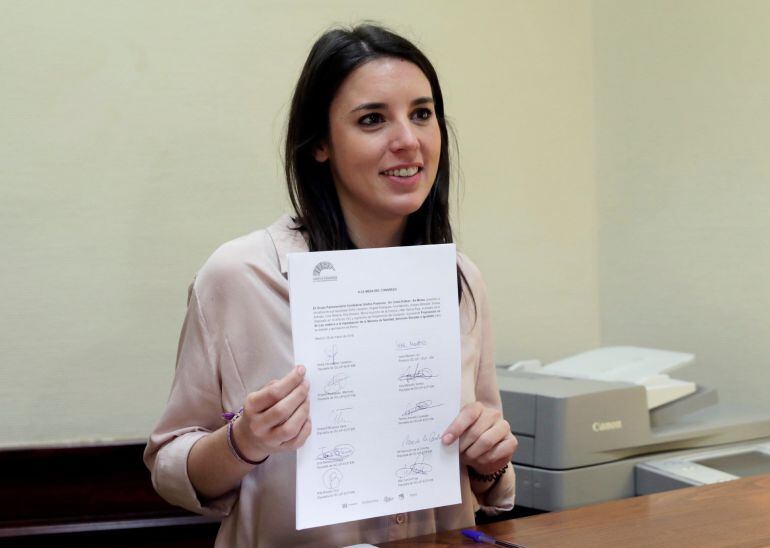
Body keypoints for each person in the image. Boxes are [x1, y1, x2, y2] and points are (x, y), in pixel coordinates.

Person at [144, 23, 517, 547]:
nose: (408, 141)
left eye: (422, 113)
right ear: (320, 143)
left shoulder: (460, 278)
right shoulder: (239, 276)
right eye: (372, 119)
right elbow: (169, 465)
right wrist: (243, 440)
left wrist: (492, 460)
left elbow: (487, 473)